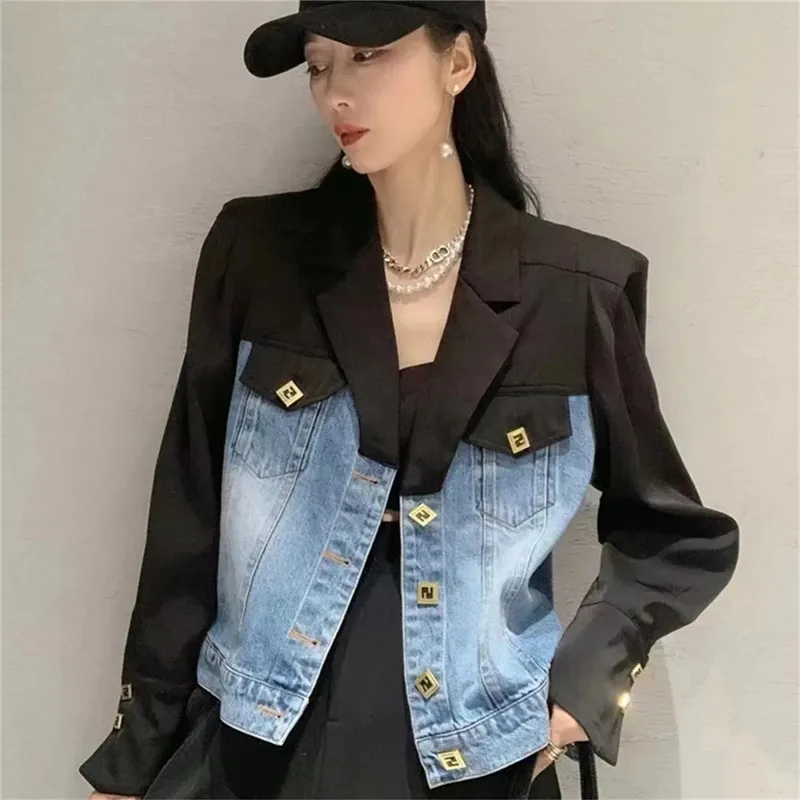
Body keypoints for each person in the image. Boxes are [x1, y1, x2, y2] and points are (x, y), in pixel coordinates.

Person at [78, 2, 740, 799]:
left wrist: (583, 693)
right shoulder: (260, 259)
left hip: (475, 756)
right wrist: (136, 750)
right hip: (262, 738)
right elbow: (188, 508)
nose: (336, 91)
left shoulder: (576, 294)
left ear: (457, 64)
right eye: (319, 64)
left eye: (367, 55)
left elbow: (674, 539)